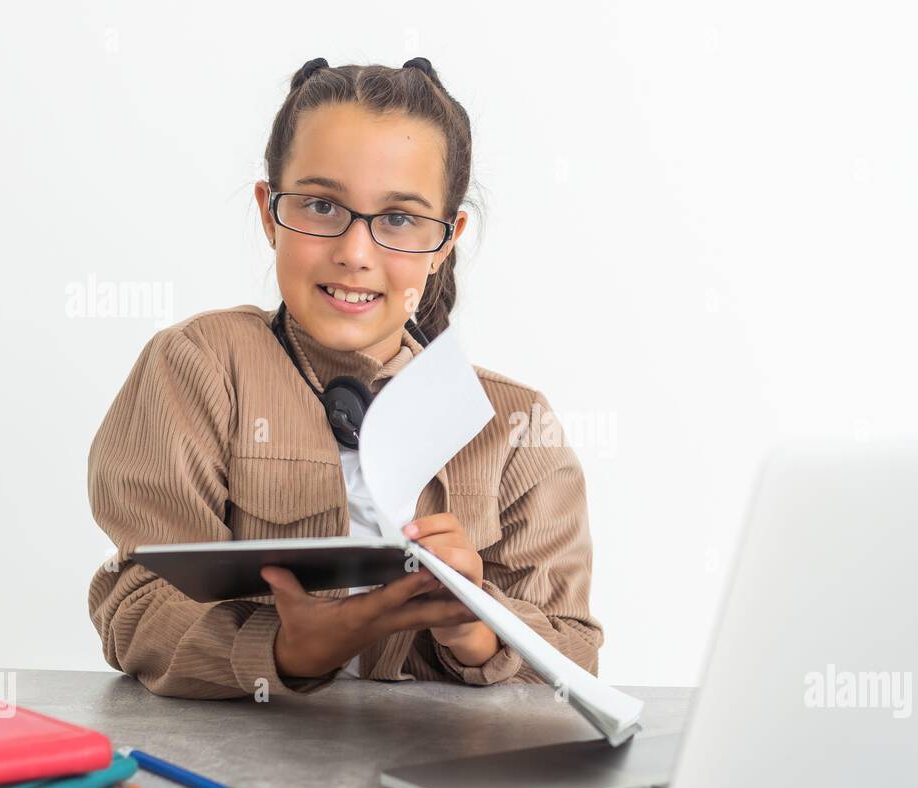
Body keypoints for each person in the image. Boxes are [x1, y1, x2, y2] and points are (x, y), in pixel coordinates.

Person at [87, 57, 603, 699]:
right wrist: (283, 650)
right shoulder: (197, 366)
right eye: (322, 206)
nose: (355, 253)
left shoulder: (518, 427)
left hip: (439, 773)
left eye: (398, 219)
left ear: (446, 240)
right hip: (249, 766)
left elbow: (575, 655)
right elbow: (134, 605)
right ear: (269, 212)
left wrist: (479, 632)